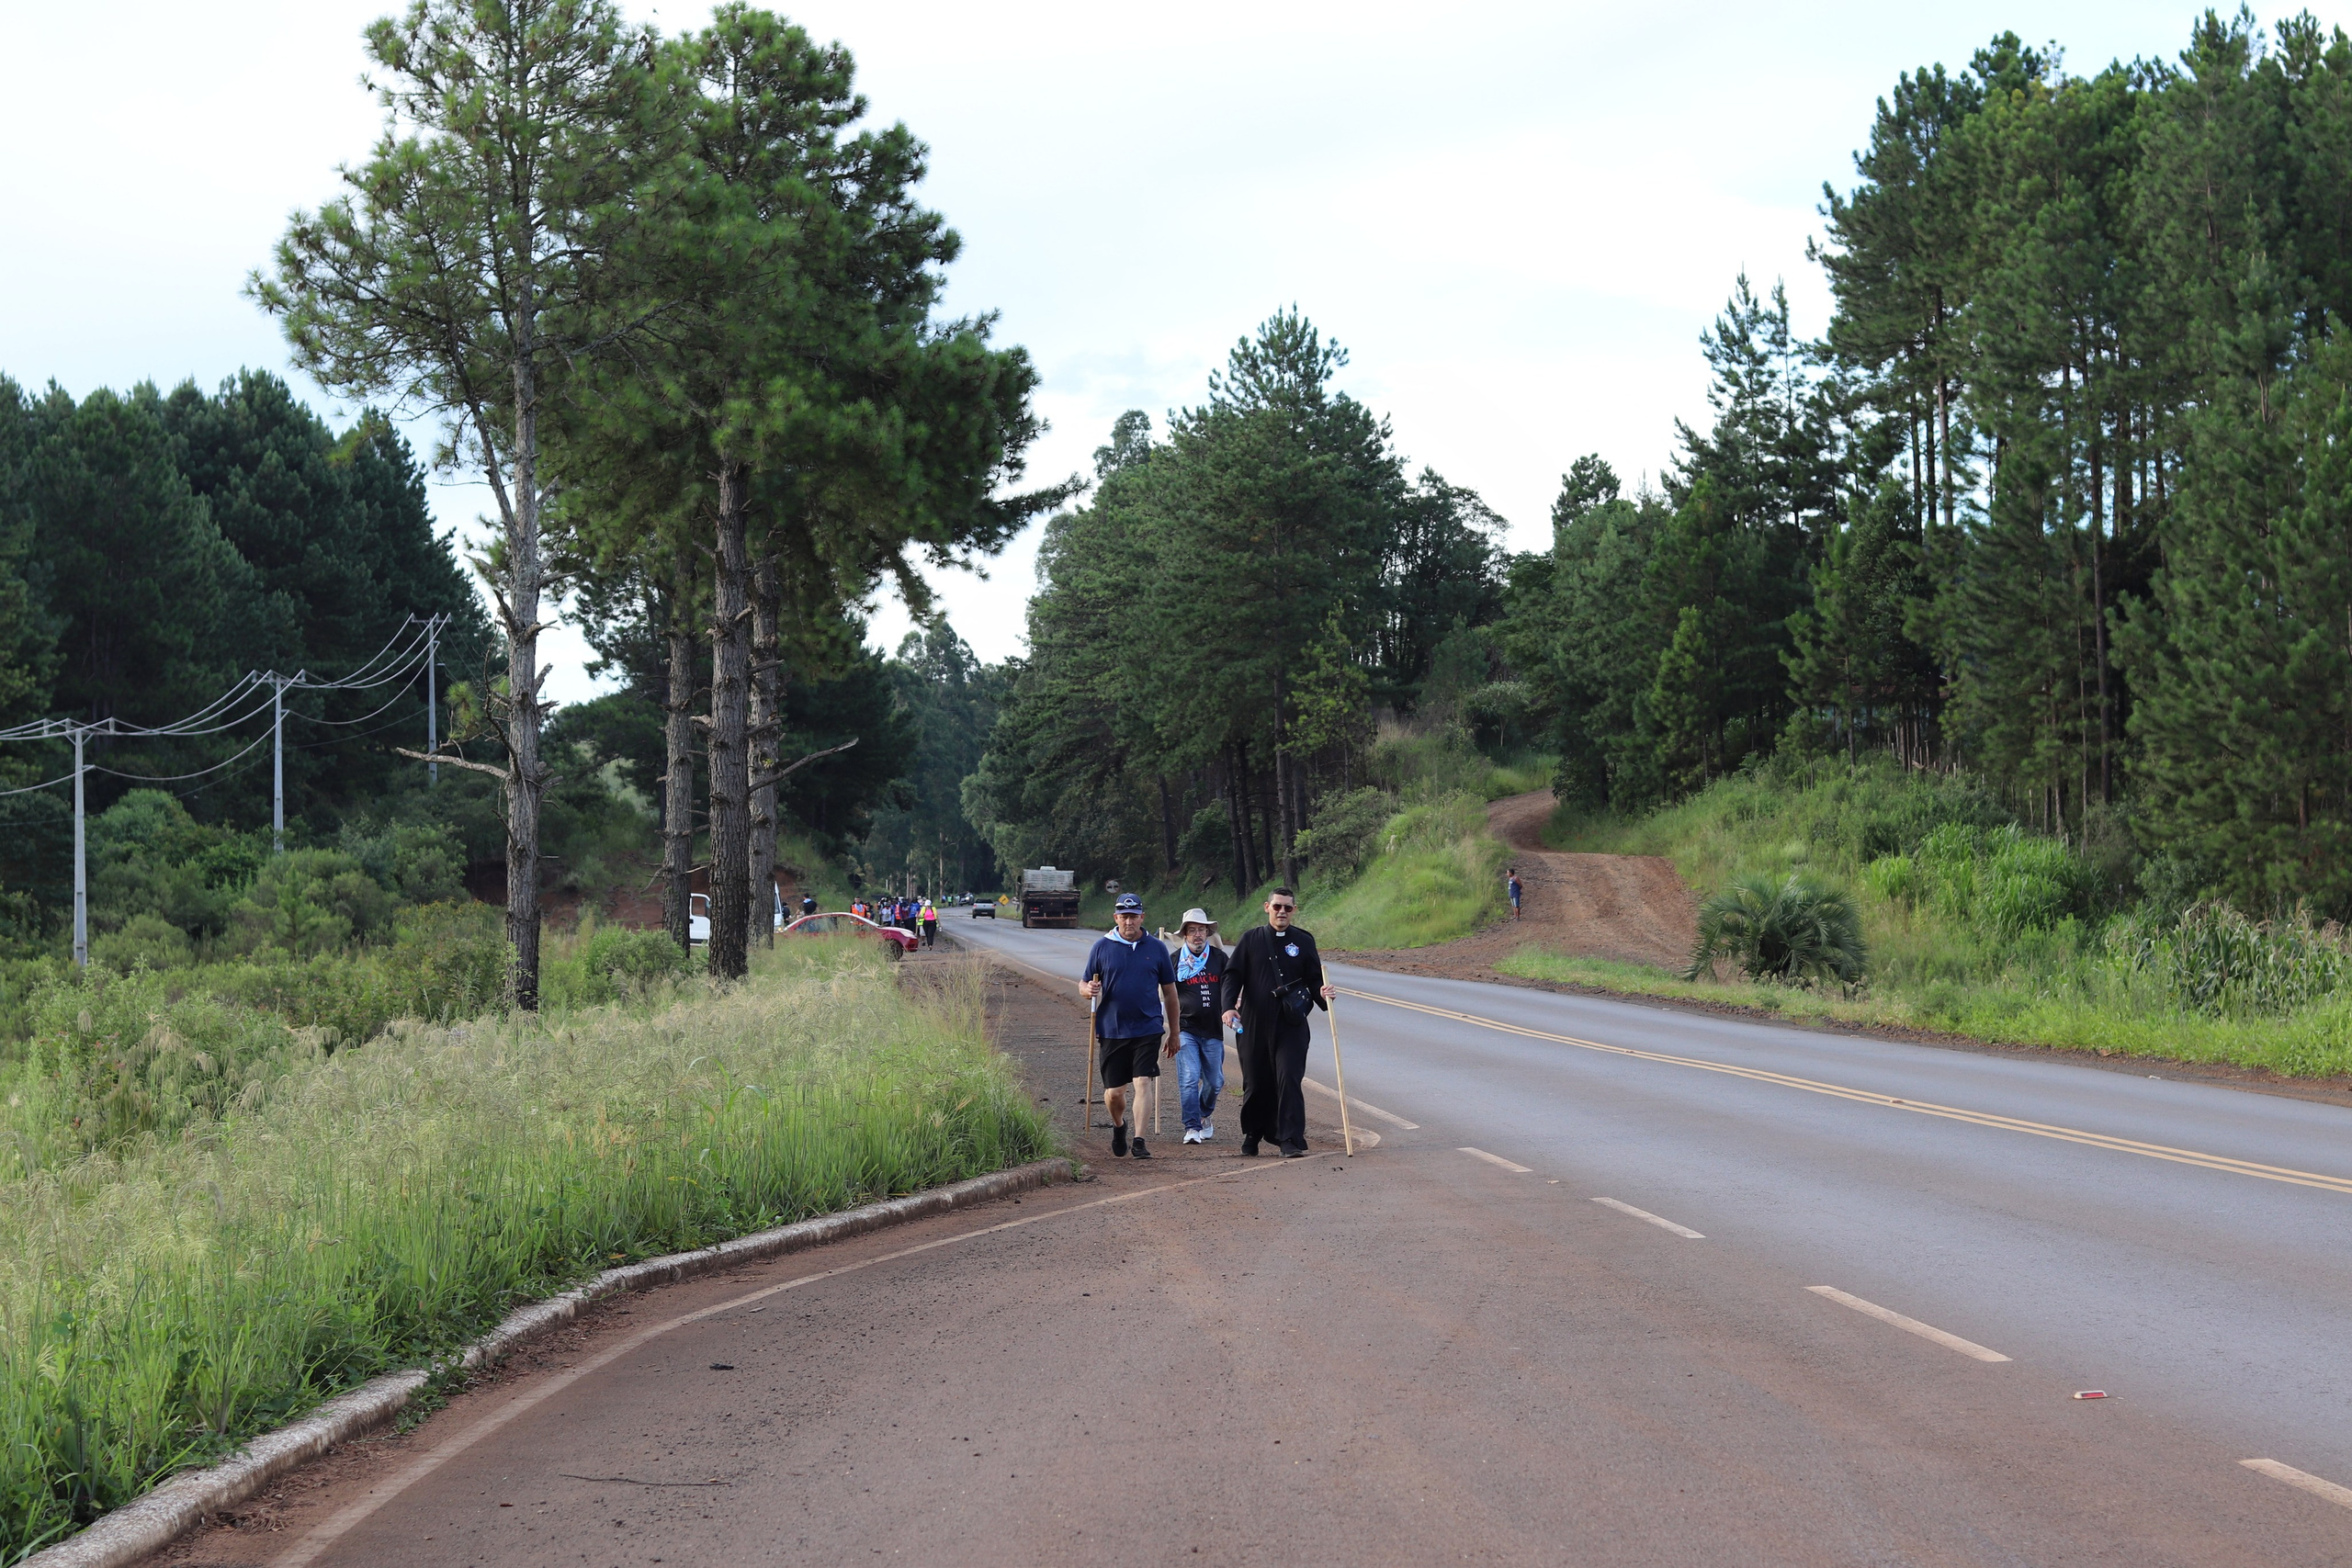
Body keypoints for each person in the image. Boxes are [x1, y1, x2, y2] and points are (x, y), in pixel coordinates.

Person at [1220, 888, 1335, 1157]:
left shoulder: (1304, 941)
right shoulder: (1250, 940)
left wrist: (1323, 992)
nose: (1281, 912)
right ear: (1266, 907)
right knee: (1257, 1082)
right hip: (1254, 1023)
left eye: (1287, 908)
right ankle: (1253, 1135)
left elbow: (1314, 979)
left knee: (1289, 1079)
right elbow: (1232, 976)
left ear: (1294, 910)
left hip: (1291, 1025)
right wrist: (1227, 1007)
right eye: (1277, 907)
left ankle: (1290, 1139)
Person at [1080, 893, 1178, 1159]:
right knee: (1114, 1094)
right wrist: (1088, 989)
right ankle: (1119, 1126)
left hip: (1148, 1026)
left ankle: (1139, 1139)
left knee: (1143, 1081)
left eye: (1134, 916)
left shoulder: (1156, 948)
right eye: (1124, 916)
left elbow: (1170, 993)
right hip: (1112, 1028)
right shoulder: (1102, 947)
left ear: (1142, 918)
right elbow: (1084, 983)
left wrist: (1173, 1032)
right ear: (1116, 918)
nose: (1129, 921)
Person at [1170, 908, 1227, 1144]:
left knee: (1215, 1082)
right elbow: (1164, 993)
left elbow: (1231, 986)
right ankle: (1191, 1128)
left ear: (1207, 932)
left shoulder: (1219, 958)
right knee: (1190, 1077)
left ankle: (1204, 1114)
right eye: (1192, 931)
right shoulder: (1174, 960)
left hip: (1213, 1029)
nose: (1197, 935)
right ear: (1184, 934)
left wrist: (1235, 1007)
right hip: (1185, 1028)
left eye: (1201, 930)